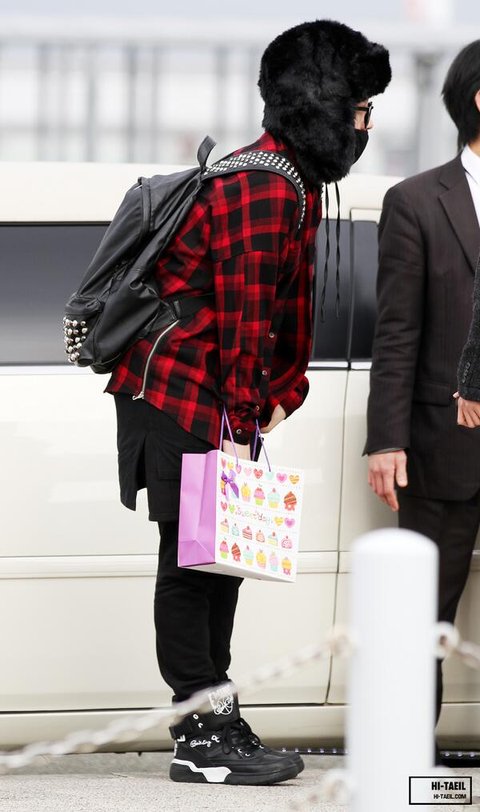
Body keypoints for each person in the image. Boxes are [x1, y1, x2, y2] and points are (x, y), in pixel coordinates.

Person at [106, 19, 391, 785]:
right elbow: (244, 314)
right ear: (323, 105)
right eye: (360, 108)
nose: (366, 124)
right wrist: (242, 421)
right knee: (191, 562)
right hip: (179, 392)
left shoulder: (287, 179)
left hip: (206, 395)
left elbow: (282, 319)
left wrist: (274, 399)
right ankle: (201, 737)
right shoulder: (263, 185)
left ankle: (216, 715)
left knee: (220, 559)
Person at [365, 40, 480, 734]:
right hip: (442, 448)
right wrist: (387, 440)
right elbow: (397, 332)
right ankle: (408, 756)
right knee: (425, 613)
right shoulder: (415, 201)